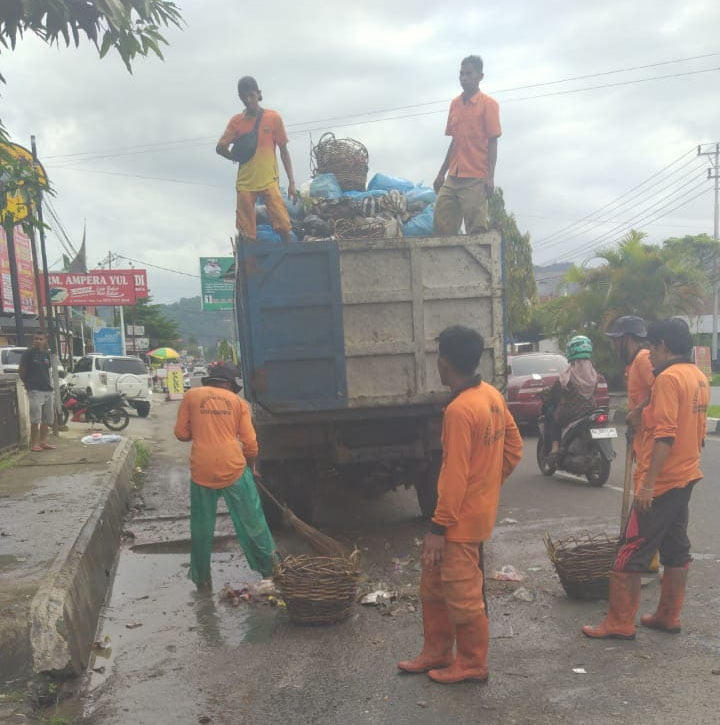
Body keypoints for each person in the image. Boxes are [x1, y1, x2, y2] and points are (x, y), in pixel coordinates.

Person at [397, 326, 523, 684]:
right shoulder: (491, 396)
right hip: (469, 512)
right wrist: (486, 485)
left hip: (458, 523)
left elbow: (453, 476)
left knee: (462, 593)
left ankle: (471, 663)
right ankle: (436, 652)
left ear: (444, 362)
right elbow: (513, 448)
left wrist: (438, 528)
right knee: (433, 583)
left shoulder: (459, 410)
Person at [582, 319, 708, 640]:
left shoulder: (668, 379)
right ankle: (668, 615)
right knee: (676, 547)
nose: (648, 354)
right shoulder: (696, 376)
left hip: (663, 481)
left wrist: (649, 484)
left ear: (664, 345)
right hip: (687, 473)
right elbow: (697, 431)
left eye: (652, 346)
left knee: (631, 549)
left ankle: (619, 622)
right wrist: (642, 413)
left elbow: (665, 435)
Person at [174, 361, 276, 589]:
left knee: (201, 526)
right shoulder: (238, 404)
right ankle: (270, 570)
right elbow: (250, 445)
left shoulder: (192, 396)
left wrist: (201, 431)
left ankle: (202, 578)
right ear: (230, 383)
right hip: (234, 467)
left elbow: (180, 433)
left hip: (202, 468)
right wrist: (252, 467)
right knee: (253, 521)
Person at [216, 76, 297, 241]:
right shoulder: (236, 122)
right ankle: (252, 266)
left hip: (269, 182)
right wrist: (235, 157)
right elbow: (220, 147)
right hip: (245, 185)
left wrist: (291, 182)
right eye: (244, 97)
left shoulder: (273, 118)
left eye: (251, 95)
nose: (248, 100)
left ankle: (291, 261)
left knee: (284, 226)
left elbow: (283, 151)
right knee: (247, 235)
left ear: (258, 94)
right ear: (240, 98)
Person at [433, 55, 501, 236]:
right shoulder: (455, 104)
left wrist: (490, 176)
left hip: (475, 177)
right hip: (453, 175)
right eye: (461, 74)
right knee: (442, 222)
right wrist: (441, 173)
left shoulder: (489, 105)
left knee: (476, 230)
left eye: (469, 73)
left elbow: (493, 141)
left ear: (480, 76)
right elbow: (454, 141)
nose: (464, 78)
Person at [543, 335, 599, 459]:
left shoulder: (567, 376)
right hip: (591, 411)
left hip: (571, 412)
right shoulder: (595, 375)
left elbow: (554, 393)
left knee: (554, 418)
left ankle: (555, 448)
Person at [18, 331, 56, 452]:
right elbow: (22, 370)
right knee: (36, 419)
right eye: (36, 339)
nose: (38, 341)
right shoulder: (28, 354)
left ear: (45, 341)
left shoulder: (46, 354)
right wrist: (28, 384)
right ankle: (34, 444)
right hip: (35, 390)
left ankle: (43, 442)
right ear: (33, 340)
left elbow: (47, 371)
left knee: (47, 419)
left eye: (41, 339)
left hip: (47, 389)